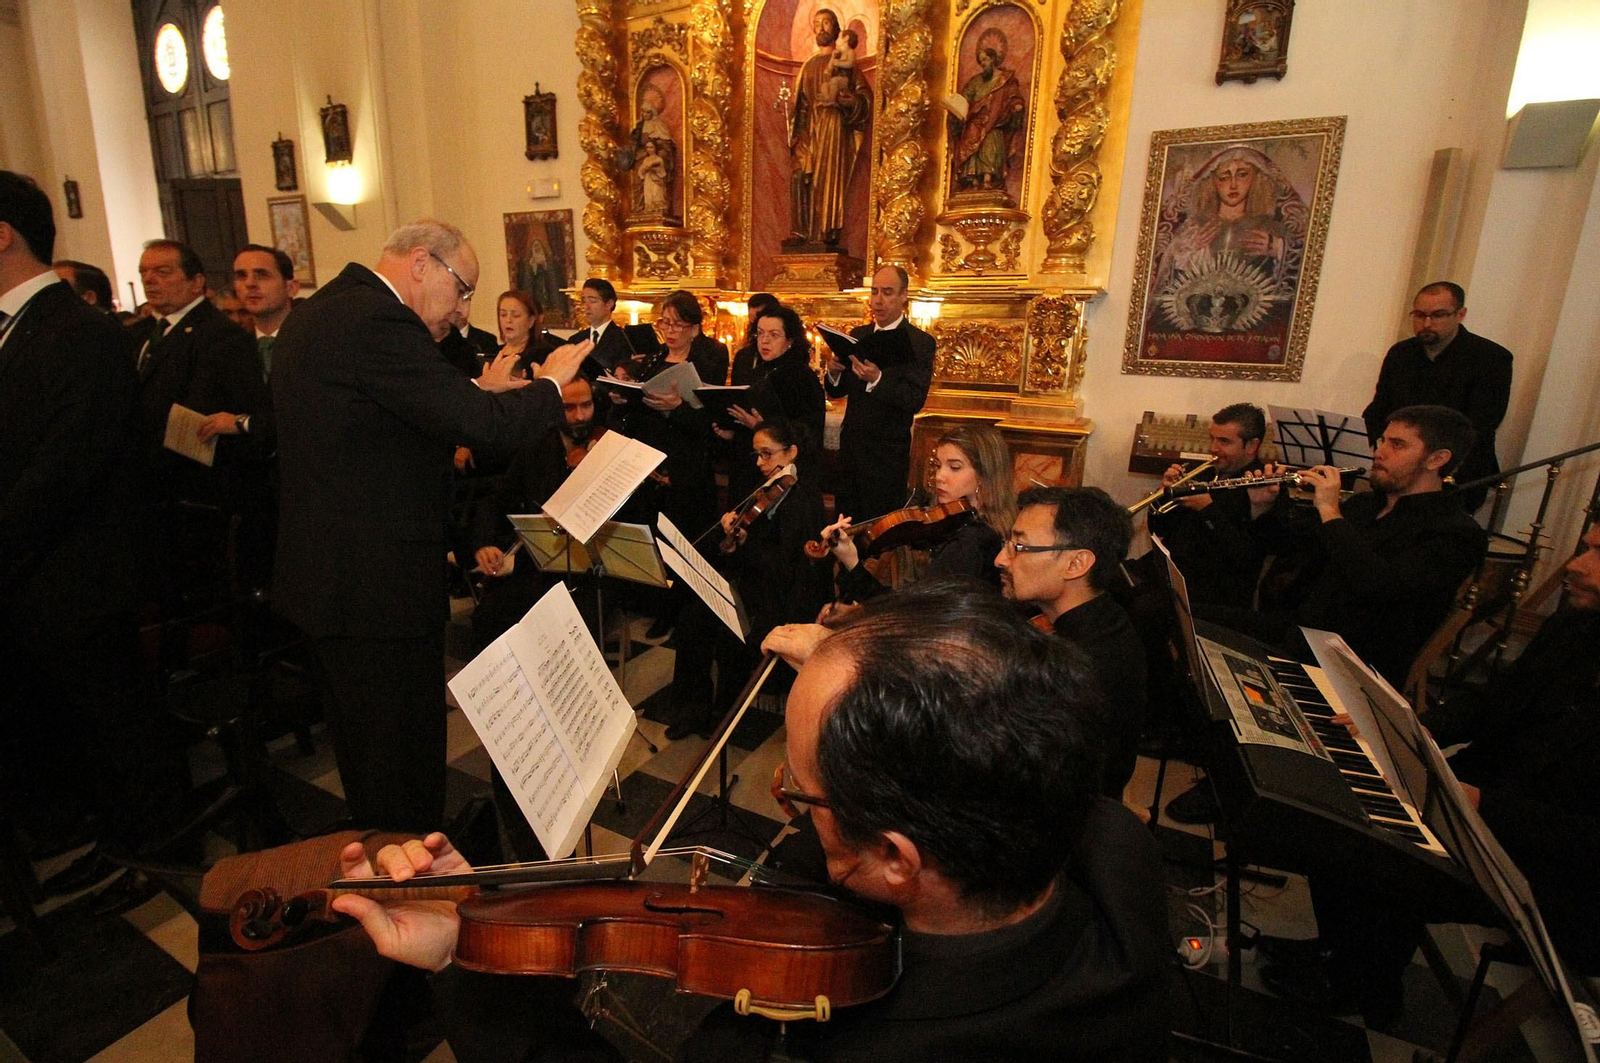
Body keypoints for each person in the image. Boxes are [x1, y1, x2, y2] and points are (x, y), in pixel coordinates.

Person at [334, 584, 1172, 1062]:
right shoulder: (1116, 848)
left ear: (894, 857)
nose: (782, 793)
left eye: (801, 791)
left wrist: (460, 960)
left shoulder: (799, 1047)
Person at [271, 218, 591, 832]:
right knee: (401, 769)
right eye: (464, 288)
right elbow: (486, 428)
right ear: (422, 264)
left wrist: (476, 388)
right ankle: (410, 896)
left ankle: (395, 872)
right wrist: (551, 383)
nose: (464, 308)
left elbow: (377, 415)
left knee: (369, 758)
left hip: (334, 578)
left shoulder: (325, 311)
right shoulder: (377, 322)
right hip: (375, 588)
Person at [1259, 517, 1600, 1023]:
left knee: (1384, 853)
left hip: (1546, 863)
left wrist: (1480, 802)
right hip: (1481, 793)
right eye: (1583, 547)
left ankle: (1368, 988)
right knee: (1339, 799)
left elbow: (1584, 835)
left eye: (1596, 554)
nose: (1575, 565)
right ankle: (1340, 952)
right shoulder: (1575, 623)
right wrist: (1403, 727)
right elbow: (1494, 703)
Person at [0, 171, 156, 859]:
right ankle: (86, 826)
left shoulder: (77, 330)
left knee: (114, 721)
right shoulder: (24, 328)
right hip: (38, 570)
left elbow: (65, 464)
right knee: (71, 722)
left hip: (77, 569)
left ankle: (146, 848)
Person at [1234, 404, 1488, 688]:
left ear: (1437, 459)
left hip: (1354, 666)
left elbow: (1378, 585)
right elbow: (1288, 548)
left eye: (1397, 445)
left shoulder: (1456, 533)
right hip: (1299, 636)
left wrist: (1330, 511)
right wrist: (1262, 508)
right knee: (1185, 617)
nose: (1379, 452)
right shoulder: (1363, 505)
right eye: (1382, 441)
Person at [664, 418, 831, 739]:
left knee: (730, 633)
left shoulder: (802, 499)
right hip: (752, 581)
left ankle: (724, 716)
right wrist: (733, 538)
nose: (760, 463)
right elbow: (750, 553)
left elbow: (786, 566)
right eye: (757, 455)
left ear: (791, 452)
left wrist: (745, 543)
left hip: (781, 594)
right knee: (691, 620)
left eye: (767, 454)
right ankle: (691, 710)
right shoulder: (766, 489)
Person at [996, 486, 1147, 798]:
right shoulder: (1106, 617)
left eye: (1019, 547)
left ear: (1076, 564)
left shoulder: (1076, 668)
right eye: (1006, 543)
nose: (1001, 559)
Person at [1361, 281, 1512, 511]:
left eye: (1438, 315)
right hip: (1398, 469)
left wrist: (1426, 462)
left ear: (1460, 314)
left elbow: (1482, 423)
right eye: (1420, 315)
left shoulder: (1491, 358)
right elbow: (1380, 408)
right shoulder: (1401, 353)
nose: (1426, 323)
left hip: (1458, 472)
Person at [824, 422, 1014, 602]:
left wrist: (851, 562)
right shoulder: (972, 524)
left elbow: (908, 614)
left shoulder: (971, 542)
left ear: (984, 476)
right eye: (938, 465)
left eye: (954, 467)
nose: (940, 476)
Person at [823, 265, 936, 522]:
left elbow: (914, 399)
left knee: (879, 529)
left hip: (886, 457)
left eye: (887, 292)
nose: (878, 300)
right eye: (874, 292)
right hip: (851, 452)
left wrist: (878, 379)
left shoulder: (920, 342)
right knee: (845, 525)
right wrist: (834, 371)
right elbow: (837, 390)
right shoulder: (858, 335)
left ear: (904, 295)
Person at [1146, 401, 1269, 610]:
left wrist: (1206, 508)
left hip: (1214, 590)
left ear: (1251, 446)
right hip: (1171, 572)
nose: (1213, 448)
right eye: (1212, 438)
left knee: (1143, 609)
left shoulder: (1266, 486)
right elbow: (1160, 528)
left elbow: (1245, 558)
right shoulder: (1205, 473)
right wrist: (1163, 494)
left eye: (1224, 441)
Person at [718, 301, 825, 505]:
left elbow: (807, 433)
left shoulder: (802, 377)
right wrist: (731, 430)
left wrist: (759, 427)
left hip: (785, 482)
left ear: (790, 341)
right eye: (760, 333)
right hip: (749, 471)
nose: (764, 341)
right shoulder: (760, 371)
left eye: (774, 335)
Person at [787, 8, 871, 246]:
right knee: (800, 176)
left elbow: (865, 98)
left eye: (826, 23)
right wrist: (796, 137)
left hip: (833, 128)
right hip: (809, 132)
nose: (821, 27)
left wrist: (848, 101)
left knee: (827, 179)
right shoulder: (808, 66)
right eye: (817, 23)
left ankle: (826, 232)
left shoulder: (847, 63)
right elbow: (801, 106)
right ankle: (801, 231)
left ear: (836, 29)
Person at [949, 27, 1027, 195]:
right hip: (975, 122)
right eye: (980, 61)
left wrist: (1017, 105)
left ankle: (988, 180)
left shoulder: (1005, 80)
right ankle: (973, 180)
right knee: (970, 138)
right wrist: (956, 109)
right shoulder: (975, 82)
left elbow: (1014, 96)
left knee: (991, 143)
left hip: (995, 122)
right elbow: (965, 98)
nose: (983, 64)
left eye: (985, 60)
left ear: (993, 59)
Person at [577, 277, 634, 374]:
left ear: (609, 304)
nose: (586, 306)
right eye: (584, 300)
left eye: (592, 300)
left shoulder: (624, 339)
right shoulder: (576, 340)